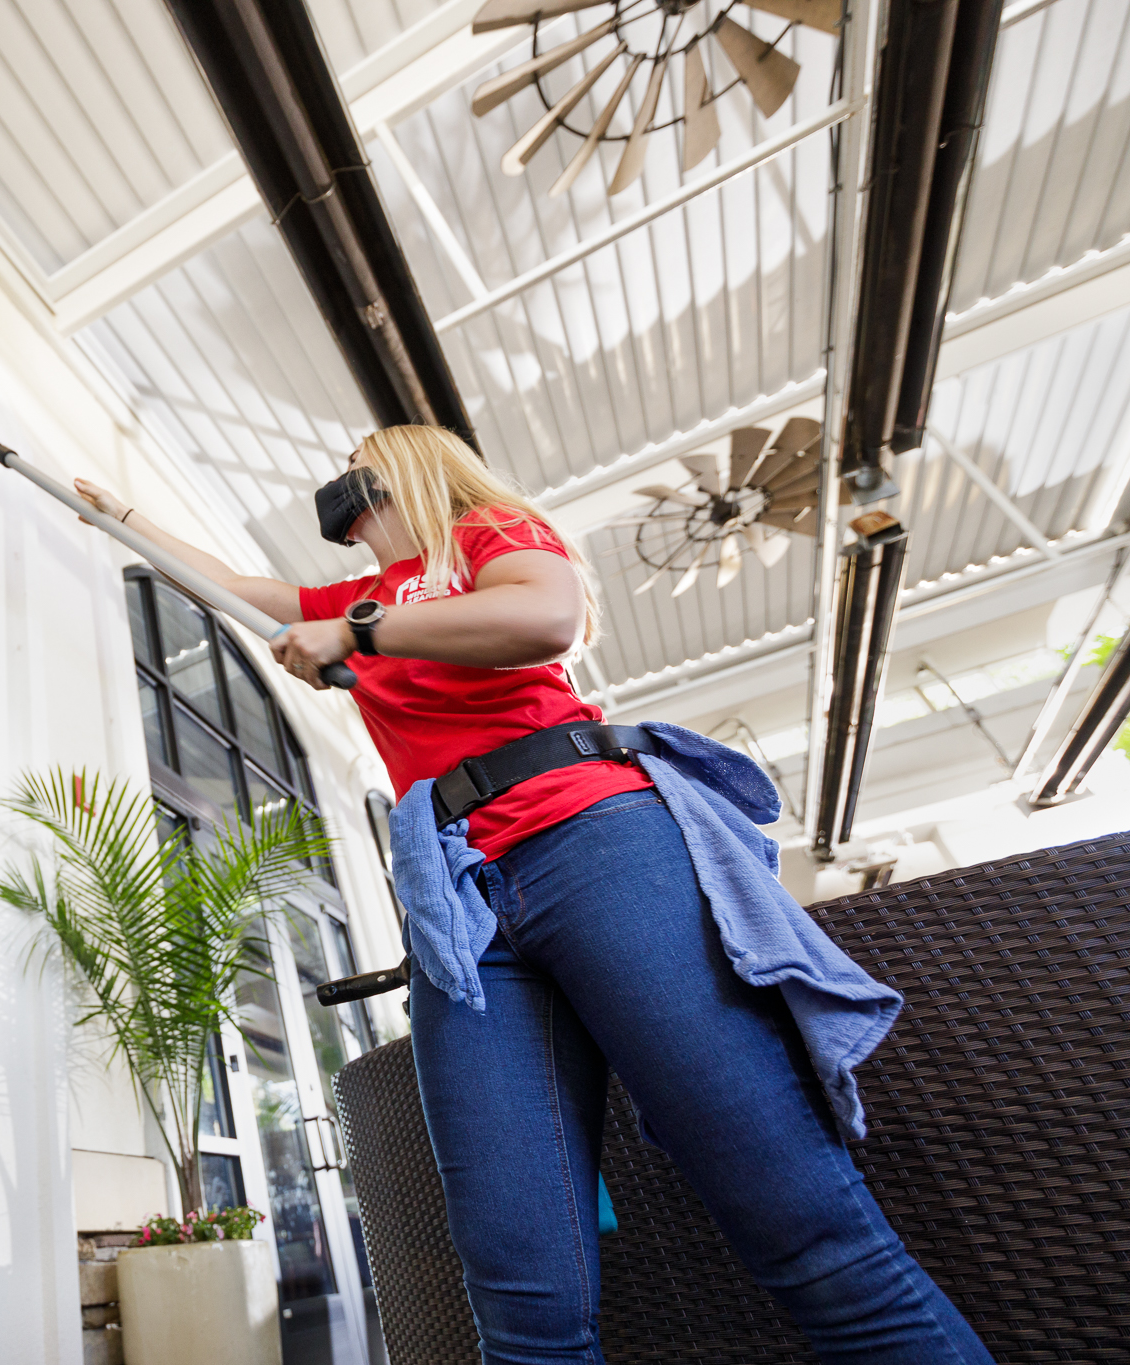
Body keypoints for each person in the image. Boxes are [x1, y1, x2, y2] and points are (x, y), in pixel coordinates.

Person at [74, 425, 990, 1365]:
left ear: (404, 471)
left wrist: (358, 632)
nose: (342, 486)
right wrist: (123, 515)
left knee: (804, 1229)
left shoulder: (483, 534)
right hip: (462, 903)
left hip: (591, 836)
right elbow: (241, 591)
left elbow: (544, 616)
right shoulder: (353, 595)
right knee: (521, 1302)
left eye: (361, 461)